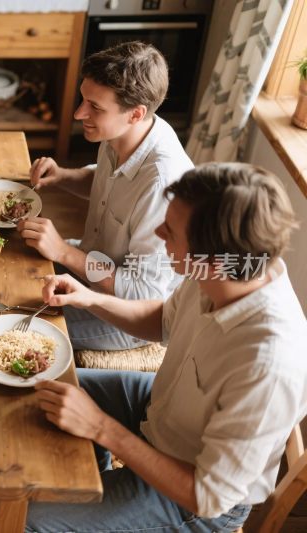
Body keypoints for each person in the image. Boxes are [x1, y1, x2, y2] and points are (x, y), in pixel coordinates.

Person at [25, 163, 306, 532]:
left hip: (193, 502)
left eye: (170, 231)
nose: (158, 233)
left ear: (212, 260)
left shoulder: (269, 363)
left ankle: (96, 488)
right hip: (161, 411)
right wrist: (89, 299)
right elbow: (162, 320)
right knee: (38, 384)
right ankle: (96, 478)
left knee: (23, 516)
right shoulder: (230, 267)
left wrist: (101, 428)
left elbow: (209, 495)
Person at [18, 41, 193, 351]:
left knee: (18, 325)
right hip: (93, 264)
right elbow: (107, 182)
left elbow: (143, 294)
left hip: (129, 314)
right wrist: (63, 176)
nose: (78, 113)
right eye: (84, 100)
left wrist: (64, 253)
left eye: (95, 107)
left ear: (135, 114)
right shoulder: (121, 132)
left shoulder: (162, 183)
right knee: (9, 263)